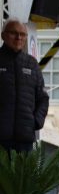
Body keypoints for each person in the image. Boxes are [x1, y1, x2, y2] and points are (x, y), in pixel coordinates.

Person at [0, 19, 49, 153]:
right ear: (3, 35)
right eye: (14, 33)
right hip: (1, 139)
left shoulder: (31, 63)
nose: (18, 38)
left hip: (25, 140)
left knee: (24, 175)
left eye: (23, 34)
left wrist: (36, 122)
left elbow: (43, 98)